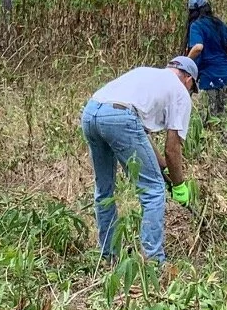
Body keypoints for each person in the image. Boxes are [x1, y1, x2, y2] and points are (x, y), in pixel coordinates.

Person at [80, 55, 196, 264]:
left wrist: (163, 169)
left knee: (104, 190)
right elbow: (172, 148)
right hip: (120, 118)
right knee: (154, 190)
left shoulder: (147, 74)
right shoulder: (181, 92)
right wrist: (179, 185)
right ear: (188, 79)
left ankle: (109, 256)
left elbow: (140, 136)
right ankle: (154, 261)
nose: (190, 93)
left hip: (91, 112)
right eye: (192, 88)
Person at [183, 0, 227, 119]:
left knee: (206, 117)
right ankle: (225, 139)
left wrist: (186, 64)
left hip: (208, 76)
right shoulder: (221, 25)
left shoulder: (196, 25)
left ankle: (208, 139)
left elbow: (198, 47)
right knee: (225, 117)